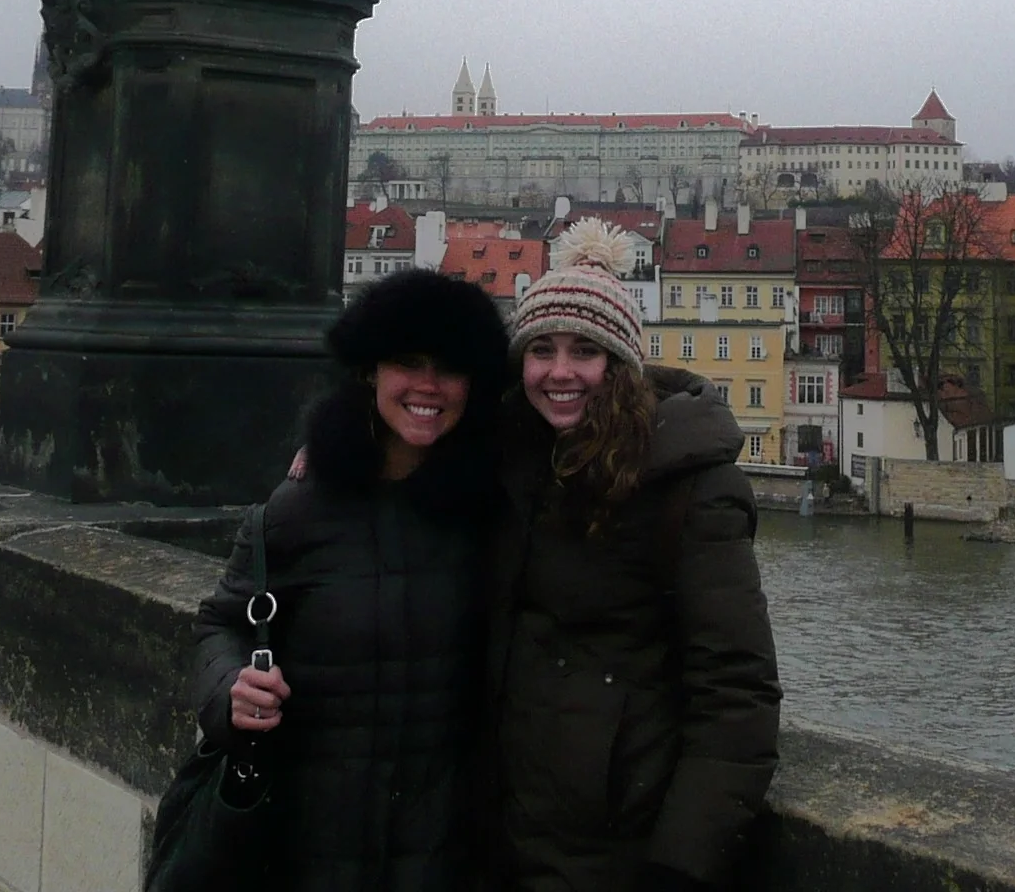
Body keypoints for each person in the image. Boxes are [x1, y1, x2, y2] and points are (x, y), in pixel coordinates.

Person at [190, 268, 506, 891]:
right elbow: (220, 624)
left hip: (446, 850)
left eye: (449, 367)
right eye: (407, 362)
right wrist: (231, 689)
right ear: (369, 371)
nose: (428, 386)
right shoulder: (301, 506)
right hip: (309, 841)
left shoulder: (492, 507)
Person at [491, 219, 782, 892]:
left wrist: (680, 865)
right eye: (541, 350)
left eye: (583, 352)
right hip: (502, 833)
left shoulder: (693, 485)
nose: (559, 372)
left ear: (621, 366)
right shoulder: (512, 458)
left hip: (615, 846)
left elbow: (736, 690)